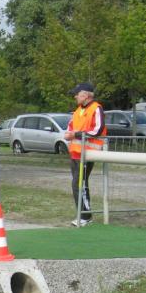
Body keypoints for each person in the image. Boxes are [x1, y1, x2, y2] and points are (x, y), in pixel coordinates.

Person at [63, 82, 106, 226]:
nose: (75, 96)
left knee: (78, 184)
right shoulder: (77, 110)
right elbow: (70, 127)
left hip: (88, 154)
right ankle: (84, 215)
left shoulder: (96, 108)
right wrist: (68, 134)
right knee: (79, 184)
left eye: (77, 94)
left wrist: (75, 134)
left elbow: (98, 130)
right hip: (75, 153)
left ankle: (85, 216)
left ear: (86, 95)